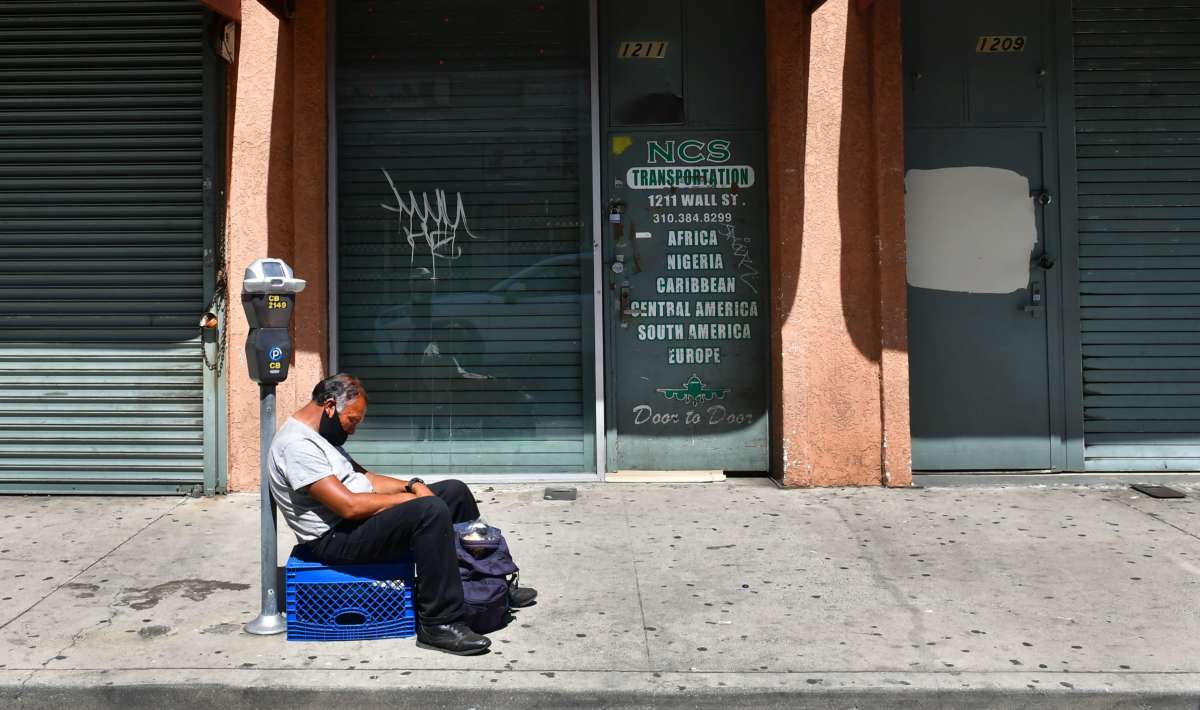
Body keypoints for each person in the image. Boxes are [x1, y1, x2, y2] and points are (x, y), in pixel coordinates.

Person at [268, 373, 536, 655]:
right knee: (428, 511)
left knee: (454, 492)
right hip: (335, 538)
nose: (354, 431)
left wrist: (414, 485)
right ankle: (439, 624)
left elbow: (366, 478)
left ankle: (488, 585)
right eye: (353, 421)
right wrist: (409, 499)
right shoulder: (297, 445)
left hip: (356, 521)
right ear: (331, 406)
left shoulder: (320, 436)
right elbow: (348, 505)